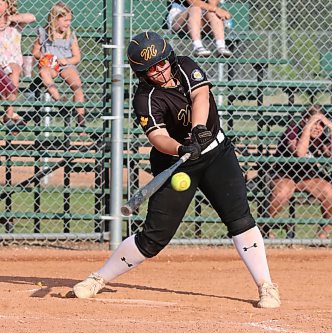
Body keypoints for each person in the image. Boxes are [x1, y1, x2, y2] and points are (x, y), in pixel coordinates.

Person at [72, 31, 280, 308]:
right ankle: (98, 278)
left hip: (216, 153)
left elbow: (201, 97)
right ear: (141, 73)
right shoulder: (145, 98)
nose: (159, 71)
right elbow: (157, 138)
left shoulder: (184, 65)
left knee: (240, 219)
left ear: (168, 57)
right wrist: (181, 149)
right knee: (154, 236)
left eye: (161, 63)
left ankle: (266, 286)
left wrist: (197, 132)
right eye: (151, 69)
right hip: (174, 163)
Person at [266, 105, 332, 239]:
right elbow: (300, 154)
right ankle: (265, 228)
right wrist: (307, 128)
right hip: (283, 174)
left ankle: (323, 234)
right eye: (314, 123)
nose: (318, 127)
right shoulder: (293, 131)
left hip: (306, 177)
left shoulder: (321, 135)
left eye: (321, 124)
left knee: (329, 192)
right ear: (304, 121)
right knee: (283, 191)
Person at [32, 2, 86, 128]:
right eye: (65, 20)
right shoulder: (43, 32)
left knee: (77, 84)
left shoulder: (70, 35)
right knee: (44, 73)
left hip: (65, 64)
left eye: (70, 20)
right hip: (50, 65)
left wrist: (66, 61)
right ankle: (60, 101)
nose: (68, 23)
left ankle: (80, 117)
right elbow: (35, 52)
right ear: (55, 19)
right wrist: (45, 57)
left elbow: (77, 57)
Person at [0, 0, 35, 124]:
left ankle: (8, 114)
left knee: (14, 71)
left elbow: (32, 17)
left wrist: (10, 18)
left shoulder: (15, 21)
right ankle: (10, 115)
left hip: (12, 61)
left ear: (8, 5)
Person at [165, 0, 232, 58]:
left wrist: (215, 9)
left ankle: (221, 46)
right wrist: (216, 9)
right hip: (180, 18)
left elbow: (213, 5)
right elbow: (193, 2)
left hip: (202, 19)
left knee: (213, 13)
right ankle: (197, 46)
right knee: (195, 9)